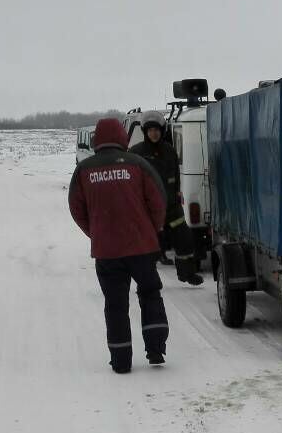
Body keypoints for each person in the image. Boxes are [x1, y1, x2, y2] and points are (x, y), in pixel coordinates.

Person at [69, 117, 170, 373]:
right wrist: (152, 229)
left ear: (96, 140)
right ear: (123, 137)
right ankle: (156, 349)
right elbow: (158, 200)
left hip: (107, 251)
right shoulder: (138, 164)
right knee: (150, 294)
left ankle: (121, 361)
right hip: (142, 247)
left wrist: (95, 233)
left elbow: (76, 208)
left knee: (115, 304)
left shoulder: (84, 169)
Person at [130, 110, 204, 286]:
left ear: (161, 131)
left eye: (156, 130)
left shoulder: (170, 150)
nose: (154, 133)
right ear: (145, 132)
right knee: (148, 246)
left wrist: (177, 192)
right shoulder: (136, 153)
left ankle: (187, 272)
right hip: (148, 209)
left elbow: (176, 175)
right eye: (150, 130)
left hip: (171, 206)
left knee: (184, 238)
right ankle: (147, 279)